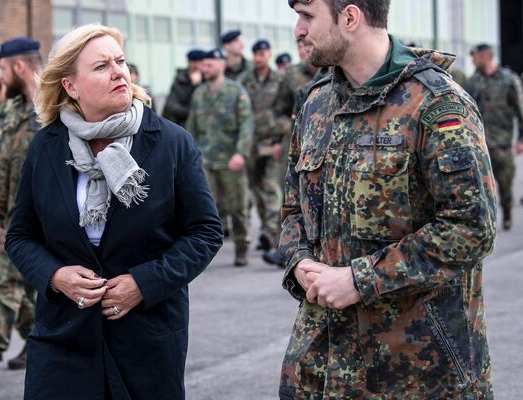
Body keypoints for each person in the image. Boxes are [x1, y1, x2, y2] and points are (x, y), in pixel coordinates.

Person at [280, 1, 497, 398]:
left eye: (308, 15)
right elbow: (293, 207)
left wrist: (361, 280)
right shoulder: (316, 103)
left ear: (349, 17)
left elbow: (472, 228)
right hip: (323, 362)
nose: (298, 29)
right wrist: (300, 261)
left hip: (416, 367)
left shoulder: (436, 104)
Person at [5, 24, 222, 399]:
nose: (119, 71)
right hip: (64, 336)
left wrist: (144, 283)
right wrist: (55, 276)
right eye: (102, 66)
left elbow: (205, 233)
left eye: (120, 61)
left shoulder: (171, 142)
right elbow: (21, 236)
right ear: (71, 86)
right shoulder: (46, 147)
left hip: (146, 339)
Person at [0, 37, 43, 389]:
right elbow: (2, 170)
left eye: (1, 67)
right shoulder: (13, 110)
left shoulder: (57, 105)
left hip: (50, 223)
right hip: (15, 222)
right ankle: (37, 339)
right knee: (8, 286)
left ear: (18, 67)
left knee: (8, 285)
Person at [186, 48, 253, 266]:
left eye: (210, 64)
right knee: (205, 209)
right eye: (203, 65)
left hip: (230, 160)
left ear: (222, 65)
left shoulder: (236, 91)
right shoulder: (198, 94)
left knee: (238, 208)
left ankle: (242, 247)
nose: (205, 68)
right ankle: (201, 254)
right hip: (205, 161)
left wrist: (241, 153)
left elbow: (246, 125)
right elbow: (191, 128)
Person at [238, 39, 293, 266]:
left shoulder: (280, 80)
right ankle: (268, 231)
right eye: (256, 53)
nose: (260, 57)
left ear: (269, 54)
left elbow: (285, 111)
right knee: (256, 191)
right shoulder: (244, 81)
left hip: (272, 143)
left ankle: (275, 238)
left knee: (271, 189)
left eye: (263, 53)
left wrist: (281, 139)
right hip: (251, 144)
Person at [465, 43, 523, 231]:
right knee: (479, 189)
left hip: (503, 144)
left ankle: (506, 213)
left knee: (505, 186)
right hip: (479, 145)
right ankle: (485, 223)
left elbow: (520, 111)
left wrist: (521, 139)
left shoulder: (508, 80)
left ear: (485, 56)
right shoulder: (473, 82)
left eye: (475, 56)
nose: (473, 60)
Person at [162, 49, 205, 128]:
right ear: (189, 63)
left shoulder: (207, 80)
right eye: (194, 62)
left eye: (200, 62)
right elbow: (171, 106)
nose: (196, 65)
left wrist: (198, 85)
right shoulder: (180, 80)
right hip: (182, 125)